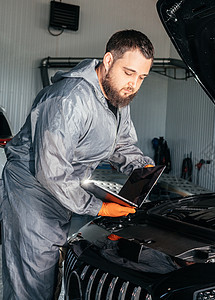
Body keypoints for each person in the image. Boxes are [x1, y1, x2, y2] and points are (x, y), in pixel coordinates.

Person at [1, 29, 156, 299]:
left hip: (63, 195)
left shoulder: (118, 97)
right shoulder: (67, 100)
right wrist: (100, 207)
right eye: (129, 73)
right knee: (32, 281)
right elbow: (51, 173)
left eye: (142, 77)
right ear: (108, 61)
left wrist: (143, 172)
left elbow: (122, 146)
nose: (134, 84)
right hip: (32, 194)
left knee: (51, 274)